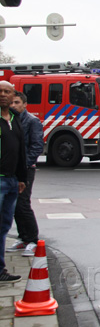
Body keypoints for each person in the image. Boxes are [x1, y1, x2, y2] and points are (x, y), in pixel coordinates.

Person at [8, 92, 43, 257]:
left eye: (17, 102)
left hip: (25, 170)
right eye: (12, 103)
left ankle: (33, 240)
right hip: (10, 170)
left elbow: (37, 145)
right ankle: (23, 237)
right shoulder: (10, 120)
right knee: (14, 205)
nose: (13, 105)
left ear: (25, 104)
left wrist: (24, 164)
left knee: (23, 204)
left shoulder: (31, 121)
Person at [0, 81, 27, 283]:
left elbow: (20, 150)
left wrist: (21, 177)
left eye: (7, 92)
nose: (3, 95)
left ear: (13, 96)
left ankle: (1, 269)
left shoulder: (16, 119)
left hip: (12, 180)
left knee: (4, 226)